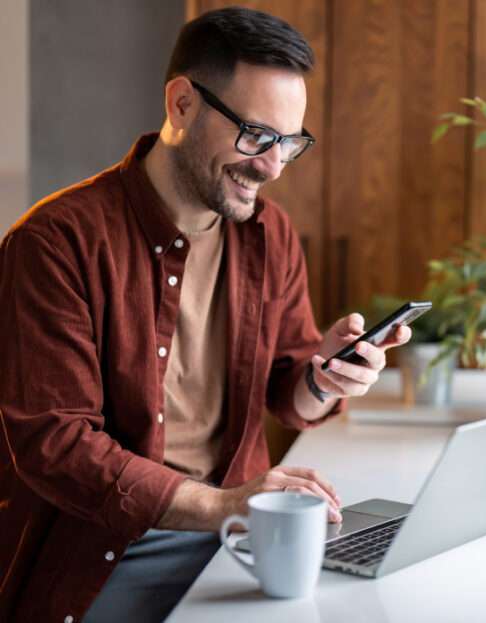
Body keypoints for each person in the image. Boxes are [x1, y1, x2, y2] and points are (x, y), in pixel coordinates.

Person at [0, 8, 410, 622]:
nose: (272, 167)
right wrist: (226, 507)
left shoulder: (269, 234)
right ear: (182, 104)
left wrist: (324, 377)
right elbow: (57, 445)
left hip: (240, 536)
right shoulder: (55, 242)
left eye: (288, 143)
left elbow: (286, 391)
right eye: (255, 136)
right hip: (110, 552)